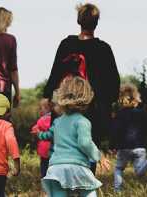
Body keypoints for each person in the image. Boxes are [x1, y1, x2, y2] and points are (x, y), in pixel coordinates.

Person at [43, 3, 120, 172]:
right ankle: (84, 182)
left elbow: (55, 73)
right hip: (93, 108)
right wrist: (109, 104)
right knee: (90, 147)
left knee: (62, 146)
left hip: (64, 106)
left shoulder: (66, 44)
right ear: (96, 22)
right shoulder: (104, 49)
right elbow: (114, 83)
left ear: (79, 20)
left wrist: (47, 96)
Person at [37, 77, 110, 197]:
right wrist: (98, 156)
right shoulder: (82, 121)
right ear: (86, 99)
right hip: (77, 166)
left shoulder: (58, 122)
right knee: (89, 192)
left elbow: (49, 135)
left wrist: (39, 134)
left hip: (56, 168)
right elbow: (84, 143)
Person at [110, 84, 147, 192]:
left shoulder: (119, 114)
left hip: (124, 147)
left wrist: (113, 145)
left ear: (121, 99)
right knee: (139, 171)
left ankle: (117, 190)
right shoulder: (142, 113)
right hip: (140, 146)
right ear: (136, 98)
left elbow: (115, 131)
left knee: (119, 168)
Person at [31, 99, 53, 178]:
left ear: (47, 108)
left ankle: (44, 178)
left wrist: (35, 131)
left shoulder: (41, 120)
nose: (40, 110)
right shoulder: (55, 119)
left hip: (43, 149)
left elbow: (35, 129)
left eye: (41, 108)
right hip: (54, 149)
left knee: (44, 165)